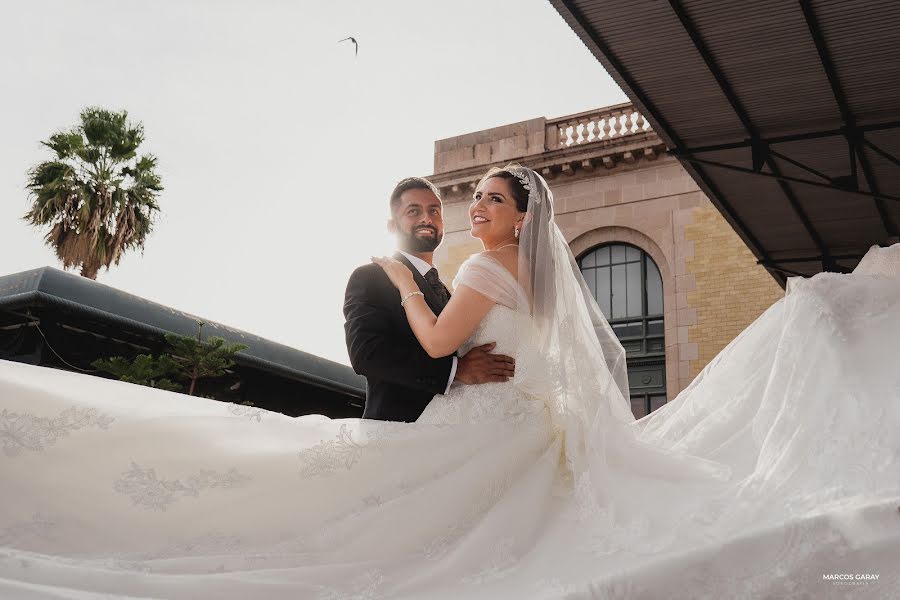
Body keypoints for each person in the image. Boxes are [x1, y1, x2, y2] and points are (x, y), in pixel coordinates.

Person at [0, 165, 898, 599]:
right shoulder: (521, 274)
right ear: (398, 219)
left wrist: (421, 306)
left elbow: (436, 336)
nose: (463, 213)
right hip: (460, 420)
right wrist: (445, 347)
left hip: (475, 425)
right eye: (437, 210)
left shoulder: (462, 272)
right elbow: (384, 355)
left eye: (481, 203)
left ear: (517, 216)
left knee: (409, 540)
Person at [343, 176, 515, 422]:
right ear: (392, 226)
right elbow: (366, 353)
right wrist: (456, 371)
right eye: (413, 211)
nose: (427, 218)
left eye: (434, 211)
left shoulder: (450, 292)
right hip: (396, 430)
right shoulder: (371, 276)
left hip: (454, 430)